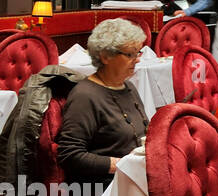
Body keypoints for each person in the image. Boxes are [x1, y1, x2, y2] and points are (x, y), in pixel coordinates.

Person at [55, 19, 150, 184]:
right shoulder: (85, 96)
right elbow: (69, 154)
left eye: (138, 52)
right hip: (102, 188)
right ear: (105, 56)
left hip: (132, 179)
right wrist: (122, 165)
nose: (137, 59)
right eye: (130, 54)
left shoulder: (128, 87)